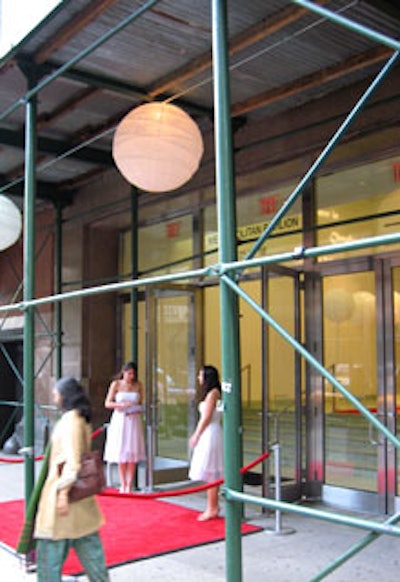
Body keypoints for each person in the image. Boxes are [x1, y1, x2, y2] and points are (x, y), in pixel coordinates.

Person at [34, 377, 109, 582]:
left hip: (63, 500)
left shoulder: (69, 422)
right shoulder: (81, 419)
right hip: (82, 502)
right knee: (93, 556)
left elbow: (73, 462)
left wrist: (62, 493)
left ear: (65, 396)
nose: (54, 396)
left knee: (49, 560)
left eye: (56, 393)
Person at [103, 361, 145, 493]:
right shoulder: (116, 384)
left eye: (133, 373)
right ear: (123, 372)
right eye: (128, 373)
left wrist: (138, 408)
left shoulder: (138, 385)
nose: (131, 376)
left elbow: (141, 402)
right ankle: (122, 482)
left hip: (133, 419)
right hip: (120, 418)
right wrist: (120, 405)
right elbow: (108, 403)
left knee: (132, 450)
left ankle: (129, 483)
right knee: (121, 450)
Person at [189, 365, 223, 521]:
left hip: (210, 433)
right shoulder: (212, 393)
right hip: (210, 432)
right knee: (211, 470)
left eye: (200, 375)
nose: (198, 378)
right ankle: (212, 505)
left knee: (211, 471)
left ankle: (212, 507)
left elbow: (207, 417)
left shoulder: (212, 394)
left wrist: (196, 434)